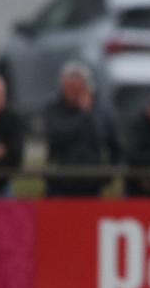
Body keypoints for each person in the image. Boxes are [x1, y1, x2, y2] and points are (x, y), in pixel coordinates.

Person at [44, 62, 121, 196]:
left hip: (92, 184)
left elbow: (112, 143)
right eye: (69, 87)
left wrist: (108, 175)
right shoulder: (54, 108)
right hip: (59, 184)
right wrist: (83, 115)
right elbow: (56, 137)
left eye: (77, 87)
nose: (73, 92)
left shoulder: (101, 109)